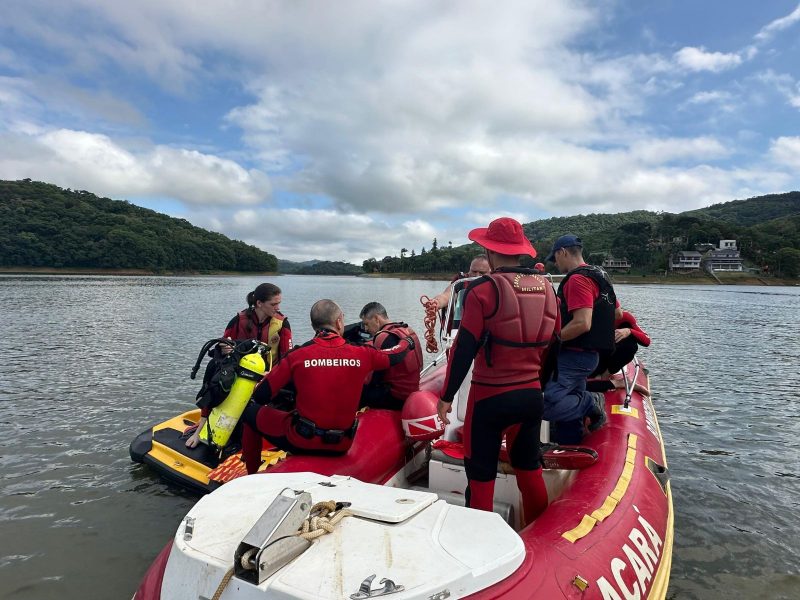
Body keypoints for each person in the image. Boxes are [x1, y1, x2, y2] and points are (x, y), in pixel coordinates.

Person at [437, 217, 559, 525]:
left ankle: (481, 546)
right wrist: (538, 386)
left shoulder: (481, 290)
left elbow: (463, 349)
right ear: (520, 251)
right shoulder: (548, 289)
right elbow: (554, 346)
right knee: (529, 470)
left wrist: (447, 397)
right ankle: (538, 537)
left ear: (489, 252)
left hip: (489, 399)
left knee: (481, 478)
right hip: (531, 396)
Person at [239, 299, 416, 474]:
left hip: (302, 440)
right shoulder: (363, 354)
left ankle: (252, 474)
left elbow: (262, 395)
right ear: (339, 321)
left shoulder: (297, 356)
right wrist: (407, 341)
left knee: (248, 411)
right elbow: (396, 355)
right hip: (342, 445)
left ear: (313, 325)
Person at [186, 283, 293, 449]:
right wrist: (225, 348)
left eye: (279, 303)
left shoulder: (282, 324)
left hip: (267, 378)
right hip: (238, 374)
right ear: (259, 303)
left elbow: (288, 358)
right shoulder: (239, 320)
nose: (278, 308)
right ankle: (201, 428)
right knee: (214, 372)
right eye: (273, 304)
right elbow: (221, 346)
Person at [543, 235, 617, 444]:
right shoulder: (600, 275)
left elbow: (582, 323)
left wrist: (551, 341)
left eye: (555, 259)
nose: (555, 264)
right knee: (570, 396)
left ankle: (591, 402)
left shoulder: (577, 279)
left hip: (574, 356)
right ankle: (571, 443)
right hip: (589, 355)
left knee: (546, 402)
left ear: (562, 252)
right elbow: (617, 314)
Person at [359, 302, 423, 410]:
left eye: (367, 324)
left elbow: (374, 380)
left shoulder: (382, 337)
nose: (365, 329)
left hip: (396, 398)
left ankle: (348, 423)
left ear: (376, 319)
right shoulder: (407, 330)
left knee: (355, 389)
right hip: (412, 391)